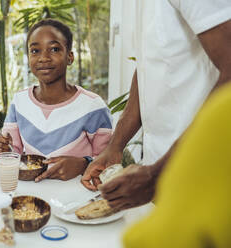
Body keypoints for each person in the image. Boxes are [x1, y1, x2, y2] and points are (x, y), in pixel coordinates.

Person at [82, 0, 231, 212]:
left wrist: (158, 173)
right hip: (162, 179)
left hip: (205, 175)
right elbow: (148, 67)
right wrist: (115, 146)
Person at [0, 19, 113, 182]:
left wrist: (84, 164)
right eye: (35, 51)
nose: (44, 58)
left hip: (77, 193)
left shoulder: (92, 106)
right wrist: (0, 149)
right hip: (32, 194)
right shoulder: (19, 101)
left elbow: (108, 163)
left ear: (70, 57)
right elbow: (13, 153)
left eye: (54, 49)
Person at [123, 81, 231, 248]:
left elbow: (164, 238)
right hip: (160, 171)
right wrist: (115, 146)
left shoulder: (223, 111)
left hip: (183, 173)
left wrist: (155, 173)